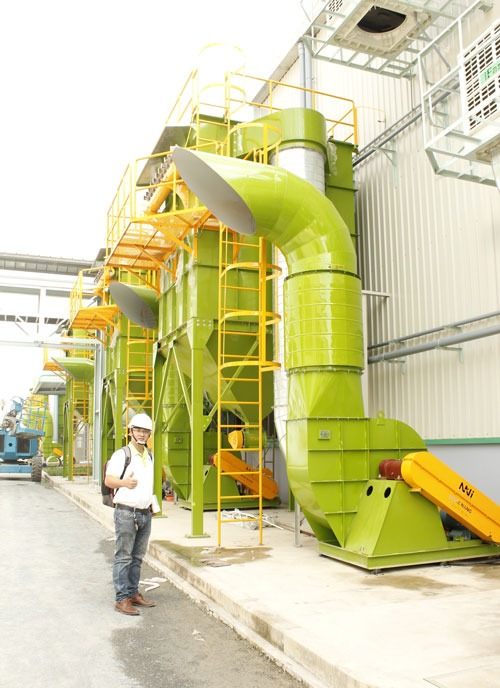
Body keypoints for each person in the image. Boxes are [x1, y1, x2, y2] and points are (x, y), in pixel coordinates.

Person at [104, 413, 156, 616]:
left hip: (145, 513)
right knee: (124, 556)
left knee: (137, 557)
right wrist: (124, 483)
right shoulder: (122, 455)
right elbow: (109, 480)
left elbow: (148, 484)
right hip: (126, 513)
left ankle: (133, 593)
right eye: (138, 430)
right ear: (131, 432)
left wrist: (152, 505)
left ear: (149, 434)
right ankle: (121, 598)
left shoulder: (149, 455)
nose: (142, 434)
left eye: (145, 431)